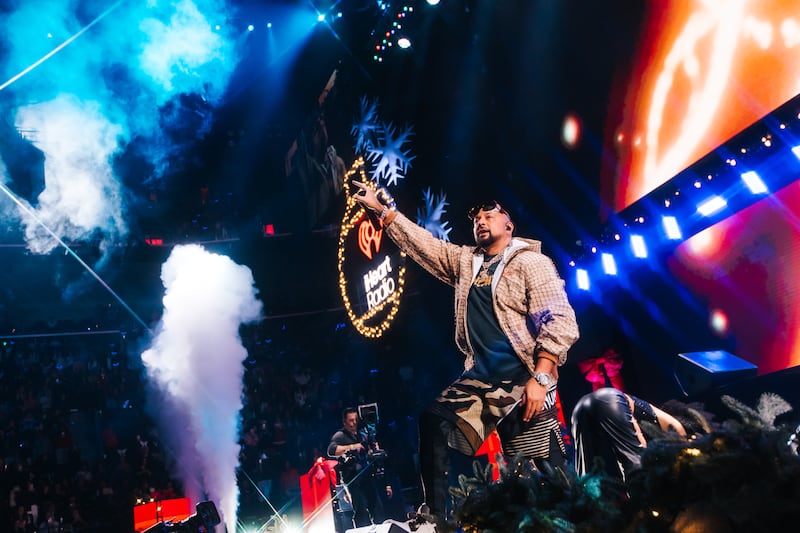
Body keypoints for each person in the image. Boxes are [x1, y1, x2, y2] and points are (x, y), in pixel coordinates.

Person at [352, 183, 580, 520]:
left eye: (490, 215)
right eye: (476, 218)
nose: (481, 221)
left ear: (509, 225)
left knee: (548, 469)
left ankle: (586, 517)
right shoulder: (465, 262)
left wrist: (542, 376)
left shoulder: (531, 262)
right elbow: (425, 246)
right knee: (433, 421)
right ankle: (435, 517)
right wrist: (384, 213)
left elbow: (559, 318)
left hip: (521, 376)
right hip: (481, 379)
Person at [570, 387, 689, 482]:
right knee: (638, 468)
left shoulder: (664, 425)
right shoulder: (681, 433)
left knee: (590, 475)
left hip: (581, 408)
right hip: (611, 400)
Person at [327, 407, 392, 529]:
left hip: (367, 475)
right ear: (344, 421)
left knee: (377, 507)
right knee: (360, 509)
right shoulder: (340, 435)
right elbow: (331, 451)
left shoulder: (363, 434)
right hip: (353, 478)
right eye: (351, 420)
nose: (354, 423)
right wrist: (352, 446)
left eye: (356, 420)